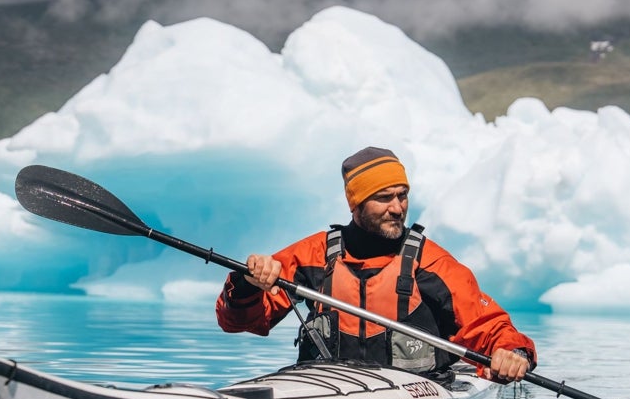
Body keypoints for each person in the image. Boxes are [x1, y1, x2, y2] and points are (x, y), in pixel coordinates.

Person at [215, 146, 535, 383]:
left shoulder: (432, 262)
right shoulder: (313, 255)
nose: (397, 208)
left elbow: (492, 327)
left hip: (419, 394)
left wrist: (514, 353)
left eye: (402, 195)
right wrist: (246, 284)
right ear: (356, 203)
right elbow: (237, 322)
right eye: (384, 197)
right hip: (324, 385)